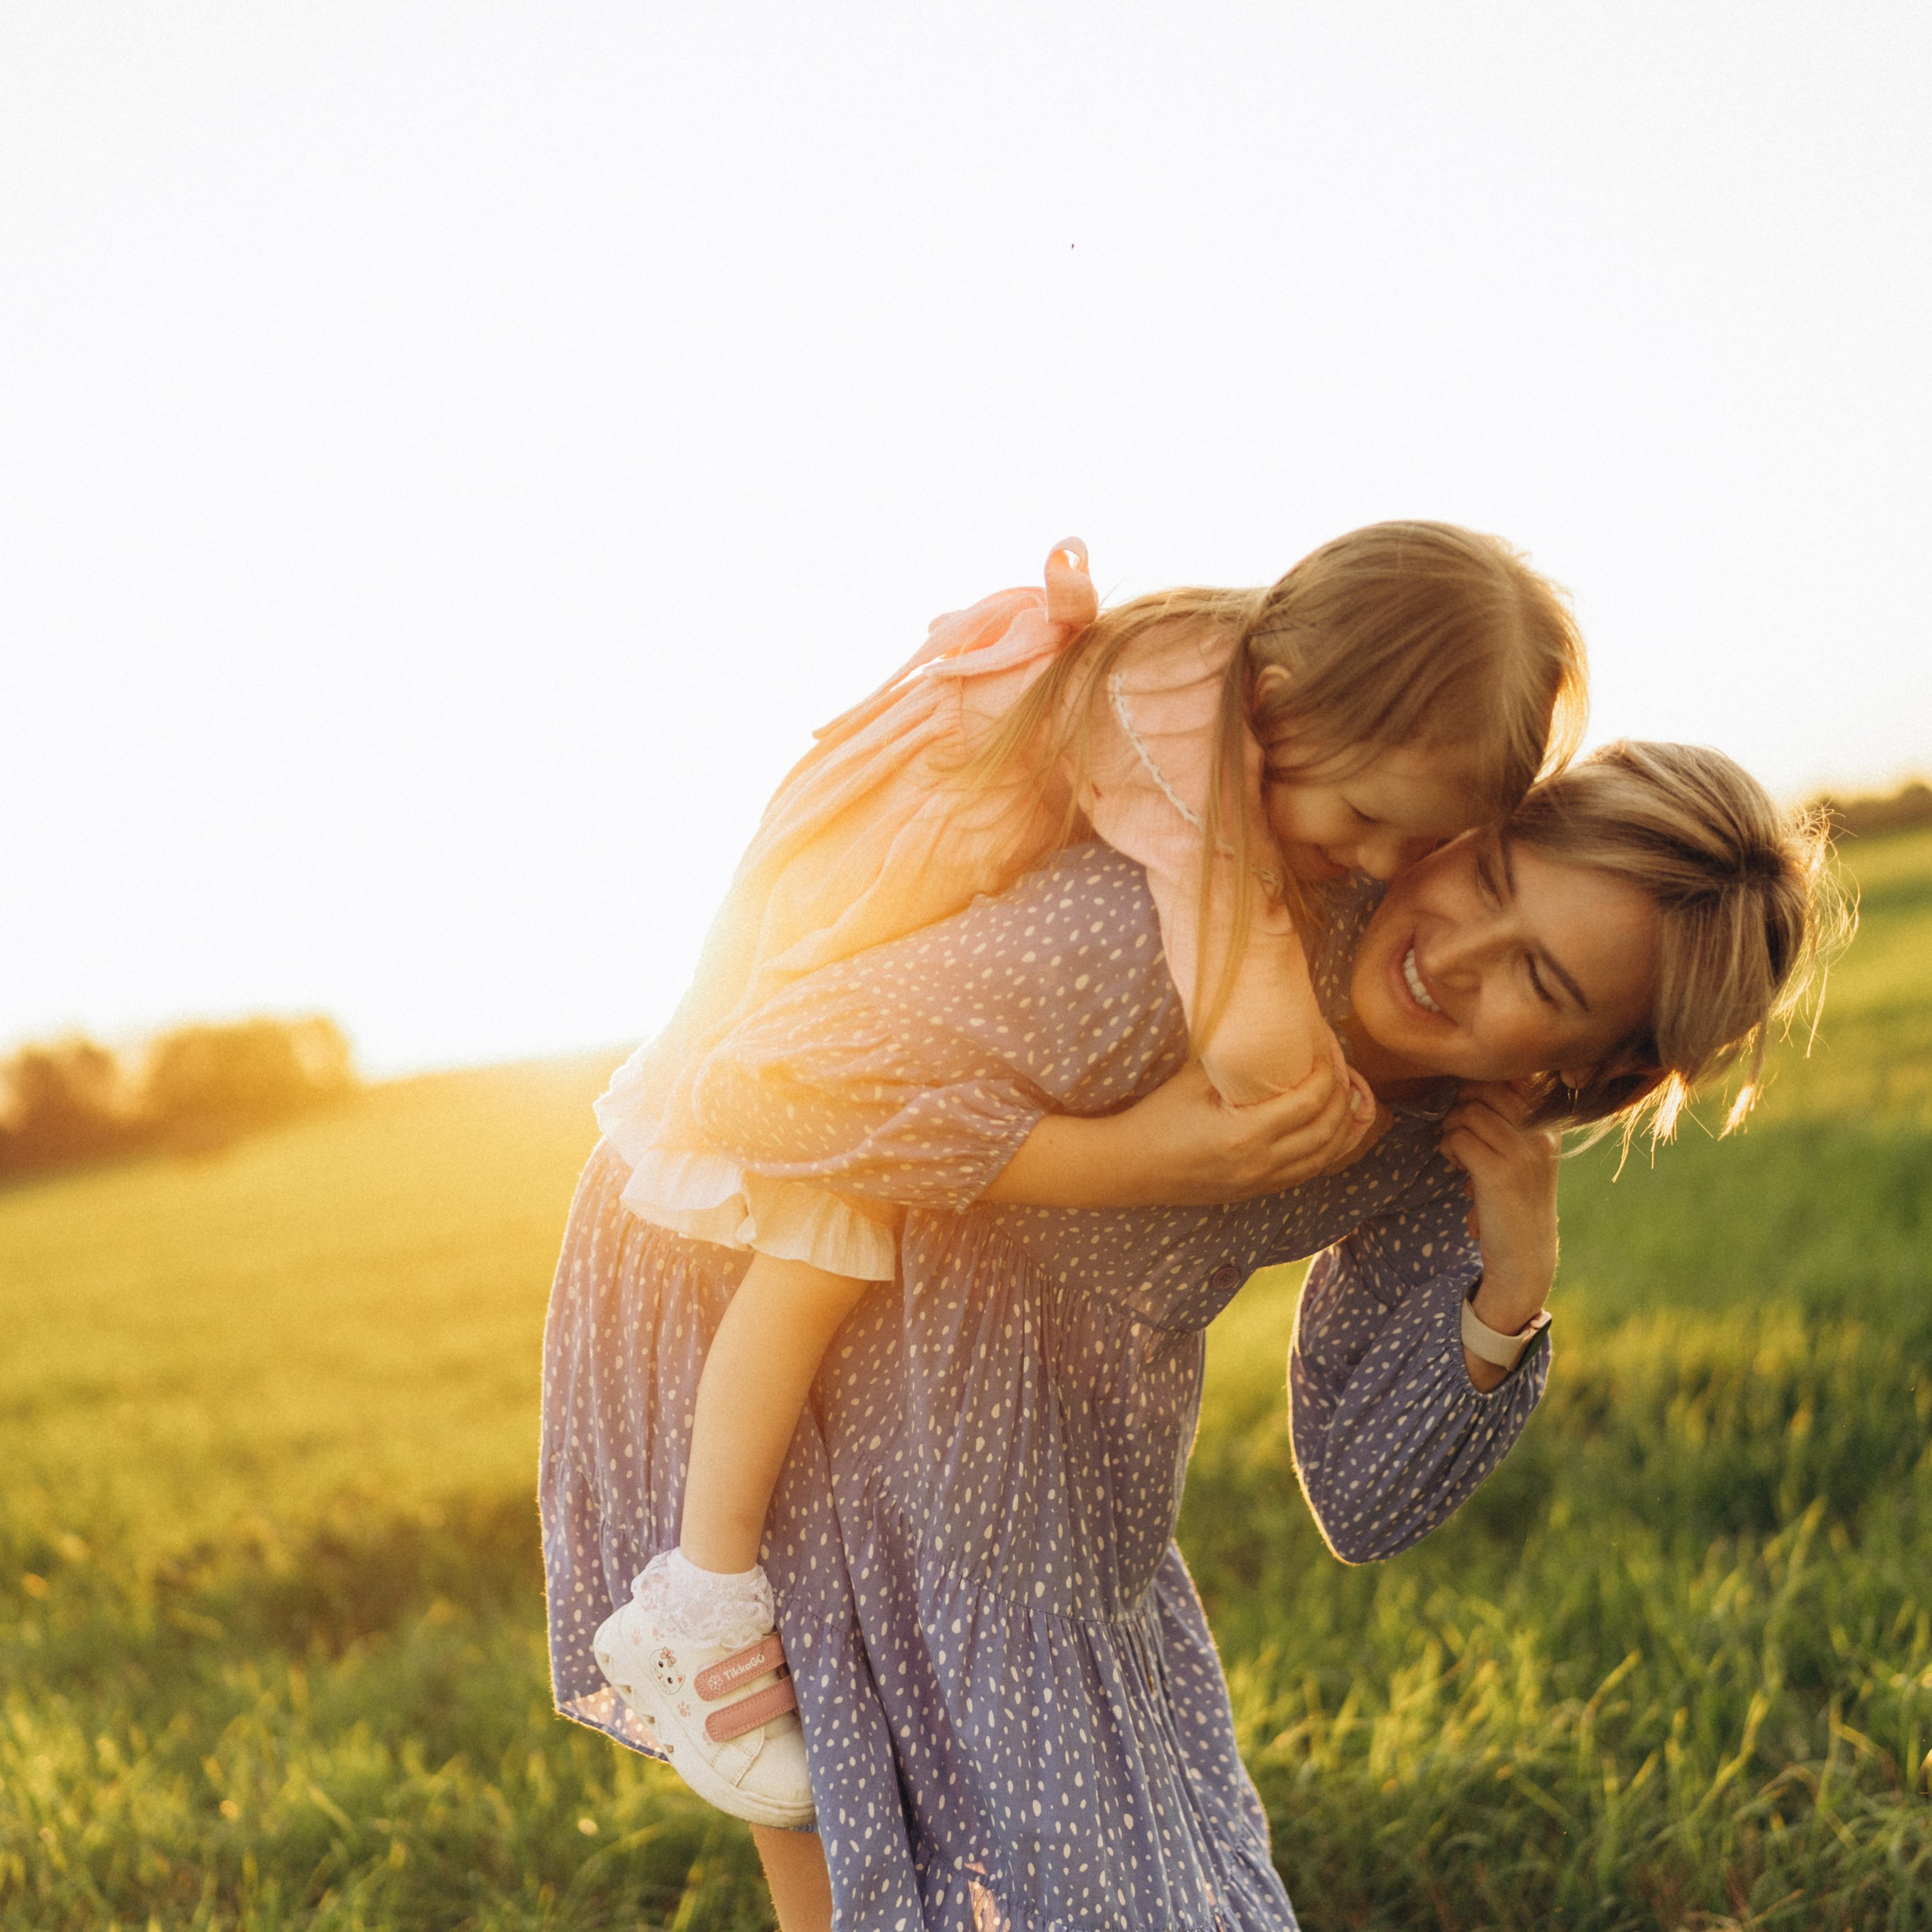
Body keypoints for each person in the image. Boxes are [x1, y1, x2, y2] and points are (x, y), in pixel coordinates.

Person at [543, 741, 1834, 1930]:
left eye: (1539, 981)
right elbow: (755, 1078)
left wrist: (1511, 1286)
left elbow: (1365, 1499)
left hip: (1051, 1455)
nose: (1459, 953)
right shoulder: (1202, 933)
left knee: (1087, 1854)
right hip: (804, 1324)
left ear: (1592, 1070)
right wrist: (1124, 1157)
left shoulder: (1462, 1139)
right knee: (839, 1791)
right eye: (1488, 877)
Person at [586, 528, 1588, 1823]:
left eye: (1428, 844)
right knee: (826, 1243)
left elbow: (1369, 1496)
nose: (1386, 869)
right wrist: (1239, 1125)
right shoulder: (1179, 737)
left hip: (899, 974)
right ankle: (697, 1604)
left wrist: (1504, 1271)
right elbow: (1247, 1006)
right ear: (1286, 706)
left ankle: (710, 1601)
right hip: (834, 956)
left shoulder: (1230, 700)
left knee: (839, 1238)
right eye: (1368, 824)